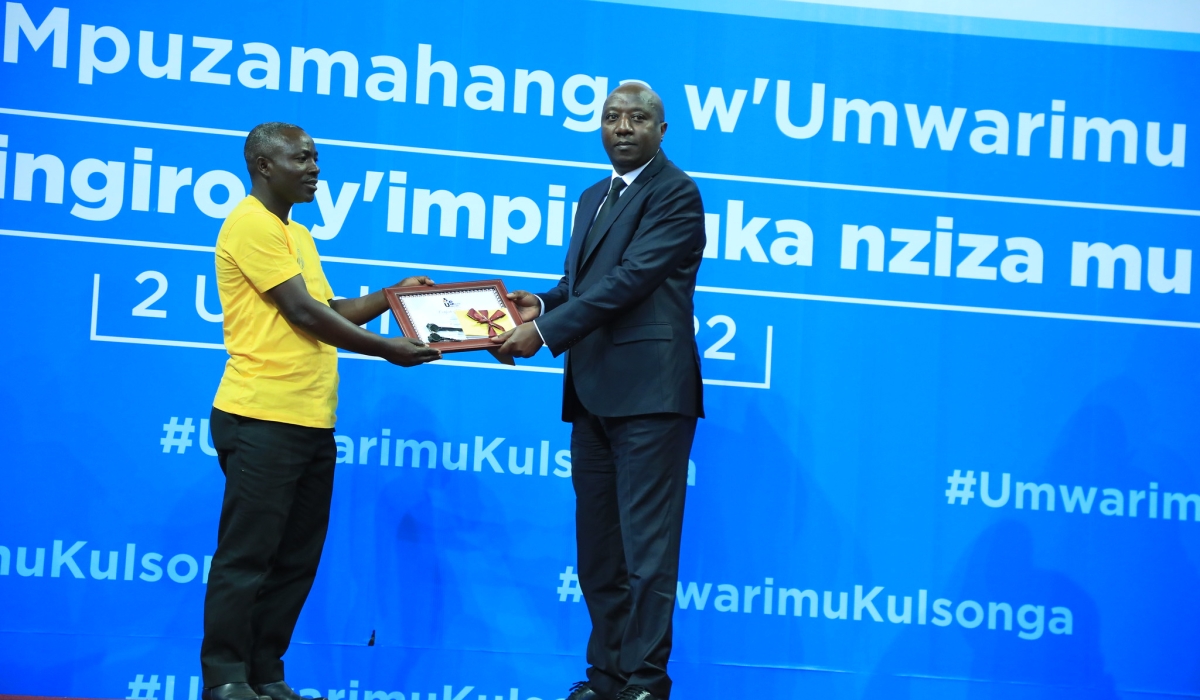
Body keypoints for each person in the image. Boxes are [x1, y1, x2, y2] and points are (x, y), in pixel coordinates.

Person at [200, 122, 441, 700]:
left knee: (294, 560)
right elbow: (302, 315)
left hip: (311, 421)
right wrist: (388, 350)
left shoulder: (296, 236)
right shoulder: (249, 224)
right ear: (263, 164)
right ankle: (226, 678)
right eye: (302, 158)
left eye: (316, 158)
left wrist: (392, 298)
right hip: (261, 417)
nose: (315, 168)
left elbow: (327, 307)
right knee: (247, 558)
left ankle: (264, 672)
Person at [493, 84, 705, 700]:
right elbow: (583, 281)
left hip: (650, 397)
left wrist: (544, 331)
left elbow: (631, 279)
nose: (622, 127)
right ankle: (606, 676)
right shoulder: (594, 195)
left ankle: (644, 682)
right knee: (600, 555)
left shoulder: (676, 193)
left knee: (647, 555)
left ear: (661, 130)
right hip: (592, 395)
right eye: (611, 117)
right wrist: (541, 301)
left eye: (638, 118)